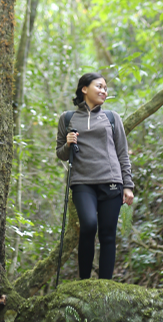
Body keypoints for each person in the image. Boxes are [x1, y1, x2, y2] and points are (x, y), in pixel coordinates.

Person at [56, 72, 134, 280]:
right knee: (89, 225)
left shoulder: (112, 118)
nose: (103, 91)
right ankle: (84, 282)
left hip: (111, 181)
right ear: (84, 89)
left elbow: (122, 153)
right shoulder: (67, 118)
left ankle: (105, 284)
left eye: (105, 89)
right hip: (82, 182)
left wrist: (128, 185)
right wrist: (68, 143)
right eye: (99, 86)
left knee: (108, 234)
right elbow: (61, 154)